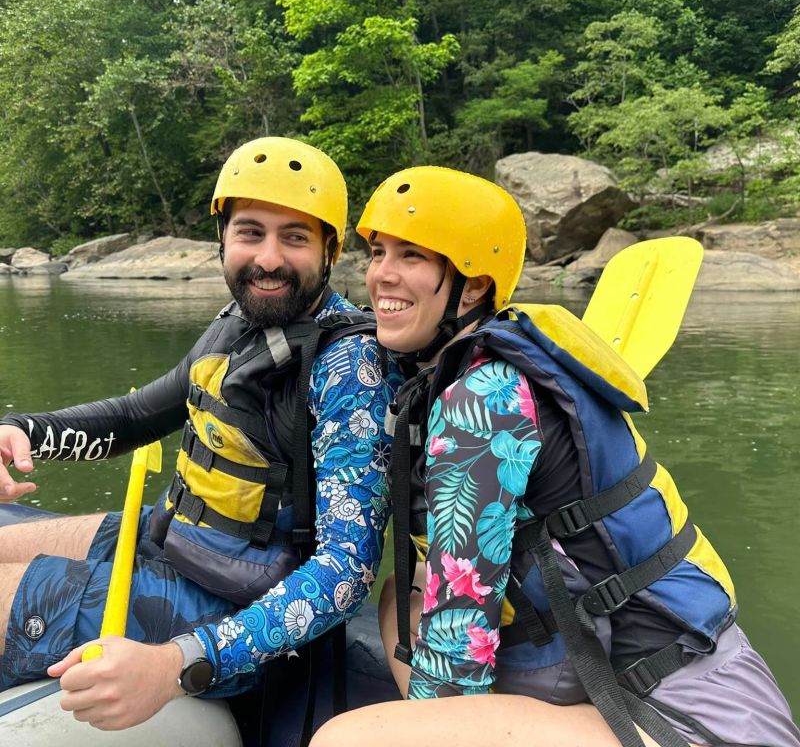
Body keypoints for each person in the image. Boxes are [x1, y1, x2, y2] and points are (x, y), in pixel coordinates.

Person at [310, 166, 799, 747]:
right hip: (708, 671)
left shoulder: (482, 398)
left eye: (412, 256)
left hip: (679, 715)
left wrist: (424, 724)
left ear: (472, 286)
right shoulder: (509, 360)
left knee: (343, 740)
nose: (381, 276)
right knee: (402, 594)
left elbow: (455, 665)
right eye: (378, 252)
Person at [0, 136, 400, 730]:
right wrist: (21, 431)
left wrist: (179, 663)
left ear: (329, 249)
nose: (268, 258)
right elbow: (137, 417)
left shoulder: (349, 369)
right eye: (250, 232)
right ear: (223, 238)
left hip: (228, 611)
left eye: (294, 237)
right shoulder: (239, 323)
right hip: (167, 542)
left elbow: (348, 570)